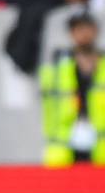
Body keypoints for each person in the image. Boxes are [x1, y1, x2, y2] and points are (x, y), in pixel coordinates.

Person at [39, 13, 105, 166]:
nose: (83, 34)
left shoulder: (102, 62)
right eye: (78, 29)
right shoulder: (58, 63)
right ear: (71, 33)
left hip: (100, 137)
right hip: (66, 137)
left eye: (87, 28)